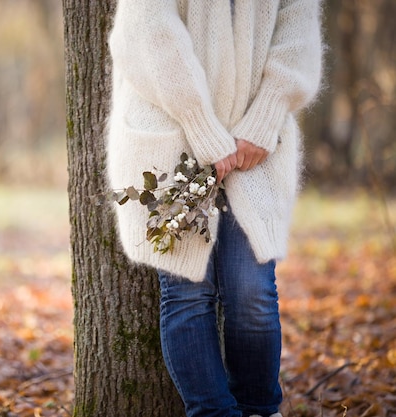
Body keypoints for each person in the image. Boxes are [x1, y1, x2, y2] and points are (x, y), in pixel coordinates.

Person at [106, 1, 323, 416]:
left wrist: (264, 120)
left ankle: (261, 410)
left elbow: (299, 34)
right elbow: (146, 29)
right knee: (187, 293)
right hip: (172, 134)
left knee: (252, 294)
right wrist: (202, 126)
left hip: (254, 145)